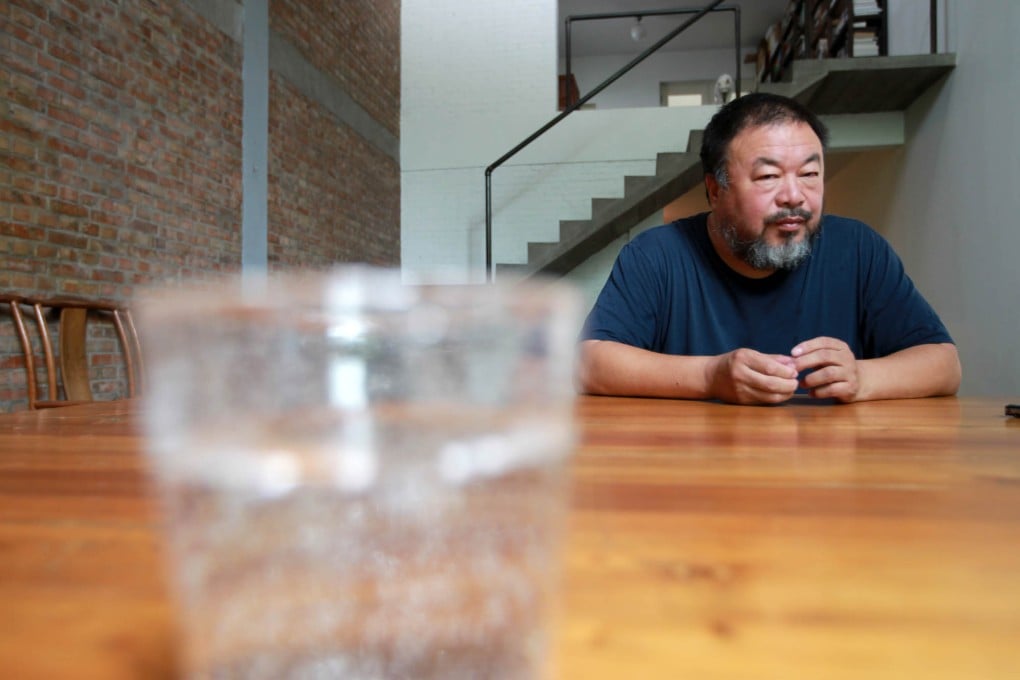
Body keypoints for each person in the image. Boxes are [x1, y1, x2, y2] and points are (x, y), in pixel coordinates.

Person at [577, 92, 960, 405]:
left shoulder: (857, 249)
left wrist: (864, 378)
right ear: (715, 190)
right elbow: (590, 363)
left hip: (830, 477)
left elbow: (944, 364)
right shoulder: (657, 255)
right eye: (768, 177)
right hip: (696, 476)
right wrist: (710, 377)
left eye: (810, 174)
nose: (794, 196)